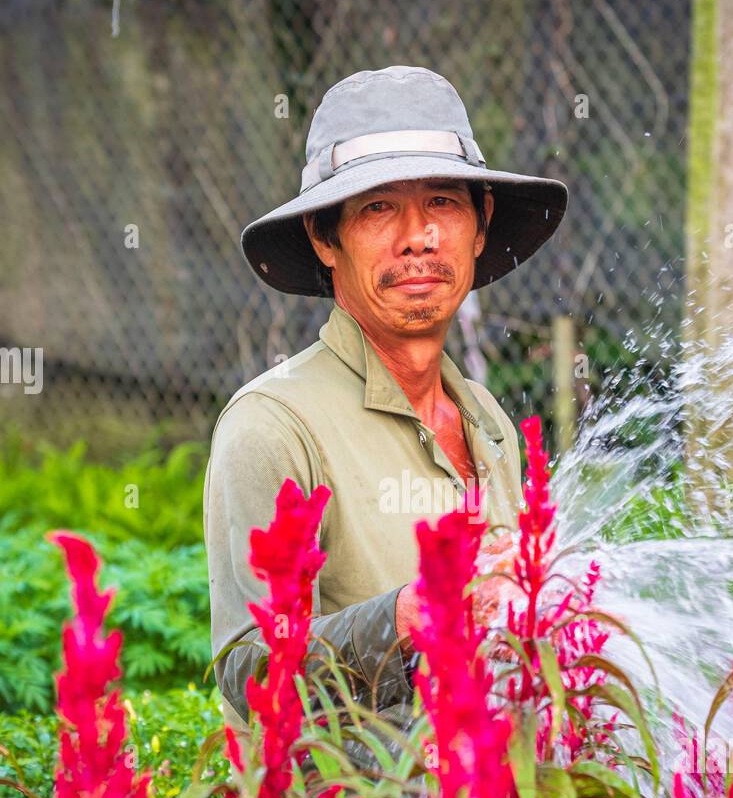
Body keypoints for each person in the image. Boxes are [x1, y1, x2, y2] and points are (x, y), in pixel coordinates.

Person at [204, 64, 568, 755]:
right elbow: (251, 675)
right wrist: (403, 618)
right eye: (376, 208)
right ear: (322, 236)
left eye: (443, 202)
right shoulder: (273, 426)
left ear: (481, 225)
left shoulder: (487, 420)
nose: (418, 236)